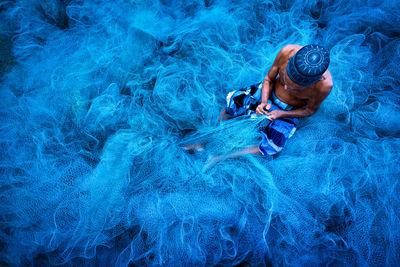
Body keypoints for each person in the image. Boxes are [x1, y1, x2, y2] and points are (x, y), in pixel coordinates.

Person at [185, 44, 333, 167]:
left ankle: (219, 156)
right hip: (266, 93)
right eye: (285, 81)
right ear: (290, 59)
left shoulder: (324, 85)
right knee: (235, 102)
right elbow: (268, 79)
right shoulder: (287, 52)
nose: (287, 88)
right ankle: (204, 140)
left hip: (286, 111)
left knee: (273, 146)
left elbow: (309, 110)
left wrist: (281, 114)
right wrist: (263, 102)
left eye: (296, 88)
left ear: (319, 79)